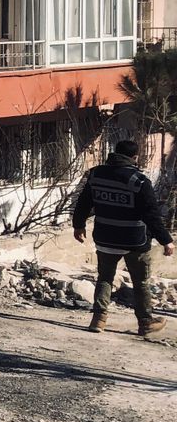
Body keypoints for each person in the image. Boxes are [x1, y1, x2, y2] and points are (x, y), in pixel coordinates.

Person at [73, 138, 172, 337]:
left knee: (105, 278)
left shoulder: (96, 175)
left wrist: (79, 225)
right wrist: (166, 240)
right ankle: (145, 322)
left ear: (114, 153)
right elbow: (151, 214)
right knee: (140, 282)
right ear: (134, 157)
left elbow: (83, 202)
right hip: (134, 240)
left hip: (105, 238)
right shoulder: (139, 181)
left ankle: (98, 319)